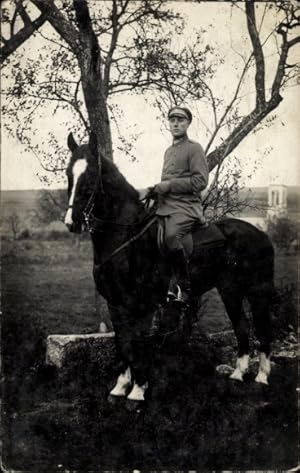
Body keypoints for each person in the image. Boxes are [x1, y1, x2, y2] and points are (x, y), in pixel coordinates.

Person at [148, 106, 209, 306]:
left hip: (186, 206)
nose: (175, 124)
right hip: (166, 204)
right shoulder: (168, 151)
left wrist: (169, 185)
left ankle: (183, 285)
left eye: (180, 120)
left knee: (171, 236)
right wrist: (156, 190)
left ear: (188, 123)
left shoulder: (194, 148)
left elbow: (200, 182)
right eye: (172, 120)